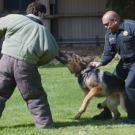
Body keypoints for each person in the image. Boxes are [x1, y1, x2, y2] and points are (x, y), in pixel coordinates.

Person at [0, 1, 59, 128]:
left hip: (5, 61)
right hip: (26, 64)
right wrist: (37, 62)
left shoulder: (14, 18)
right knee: (35, 96)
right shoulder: (43, 31)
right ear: (40, 13)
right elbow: (52, 52)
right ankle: (45, 126)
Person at [91, 10, 135, 124]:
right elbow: (108, 52)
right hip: (124, 63)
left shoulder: (131, 26)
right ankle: (106, 112)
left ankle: (132, 118)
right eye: (104, 25)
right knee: (111, 83)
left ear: (115, 20)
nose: (106, 27)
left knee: (129, 86)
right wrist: (100, 63)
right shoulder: (110, 34)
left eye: (107, 24)